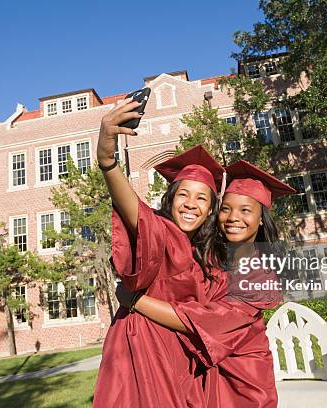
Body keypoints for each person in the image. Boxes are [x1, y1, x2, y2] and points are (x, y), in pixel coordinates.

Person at [118, 159, 295, 407]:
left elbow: (203, 320)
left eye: (245, 210)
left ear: (261, 219)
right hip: (205, 370)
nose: (234, 218)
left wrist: (135, 301)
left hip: (243, 379)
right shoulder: (210, 254)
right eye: (226, 209)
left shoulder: (261, 277)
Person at [92, 97, 228, 407]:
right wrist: (108, 162)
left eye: (201, 199)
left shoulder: (210, 259)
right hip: (143, 350)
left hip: (182, 357)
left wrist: (135, 299)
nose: (191, 203)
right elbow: (135, 212)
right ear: (170, 199)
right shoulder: (162, 233)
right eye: (183, 194)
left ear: (210, 211)